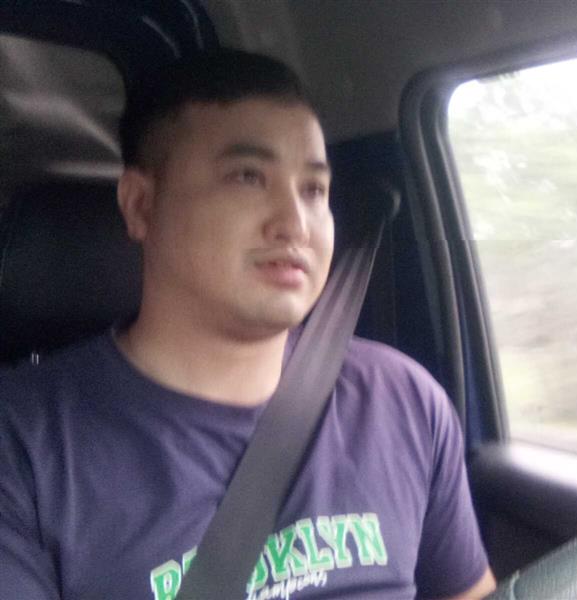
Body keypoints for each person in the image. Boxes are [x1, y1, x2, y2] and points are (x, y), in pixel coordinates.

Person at [0, 49, 496, 600]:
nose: (295, 224)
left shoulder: (404, 400)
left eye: (314, 190)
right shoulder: (23, 449)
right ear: (140, 205)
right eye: (247, 177)